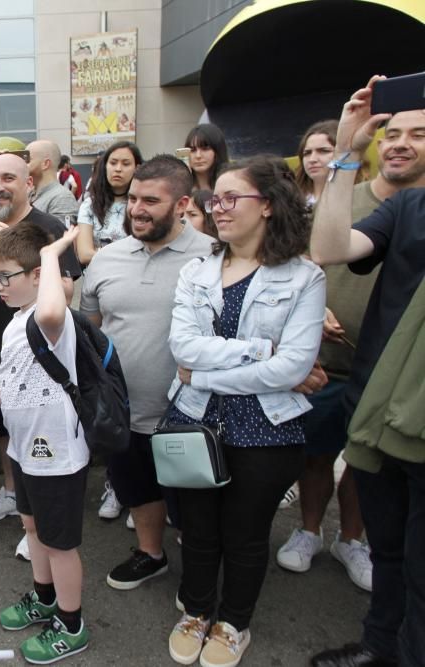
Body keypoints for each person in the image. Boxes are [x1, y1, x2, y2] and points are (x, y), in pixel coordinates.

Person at [165, 157, 326, 667]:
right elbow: (183, 347)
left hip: (268, 427)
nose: (219, 208)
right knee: (198, 528)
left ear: (271, 207)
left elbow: (293, 368)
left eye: (232, 198)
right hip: (195, 418)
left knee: (246, 533)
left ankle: (233, 622)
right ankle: (195, 610)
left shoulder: (304, 277)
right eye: (217, 200)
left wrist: (215, 370)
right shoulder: (197, 270)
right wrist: (262, 352)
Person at [308, 77, 425, 667]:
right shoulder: (405, 206)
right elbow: (329, 247)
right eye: (393, 133)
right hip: (378, 406)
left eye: (418, 134)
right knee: (392, 551)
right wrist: (347, 156)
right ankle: (380, 648)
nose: (400, 143)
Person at [80, 155, 216, 593]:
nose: (137, 208)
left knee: (195, 504)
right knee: (137, 489)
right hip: (124, 411)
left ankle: (201, 574)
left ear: (182, 204)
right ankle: (151, 554)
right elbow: (92, 330)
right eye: (133, 198)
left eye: (151, 201)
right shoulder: (106, 258)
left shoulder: (215, 256)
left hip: (192, 415)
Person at [0, 153, 81, 562]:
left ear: (29, 182)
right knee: (6, 426)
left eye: (8, 177)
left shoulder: (48, 228)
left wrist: (25, 260)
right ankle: (13, 494)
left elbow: (67, 290)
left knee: (38, 426)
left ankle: (40, 520)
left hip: (39, 353)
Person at [0, 223, 91, 664]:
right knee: (33, 527)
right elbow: (20, 377)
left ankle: (71, 622)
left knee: (60, 542)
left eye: (7, 277)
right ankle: (44, 598)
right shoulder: (16, 321)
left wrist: (53, 252)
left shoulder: (50, 317)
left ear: (39, 274)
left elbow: (54, 314)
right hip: (23, 447)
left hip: (56, 452)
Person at [275, 116, 383, 593]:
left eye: (327, 149)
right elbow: (282, 271)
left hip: (377, 362)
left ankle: (352, 538)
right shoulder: (298, 211)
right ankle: (309, 530)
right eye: (311, 151)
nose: (317, 158)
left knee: (363, 460)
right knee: (316, 455)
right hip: (321, 363)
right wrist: (315, 313)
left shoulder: (382, 203)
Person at [75, 140, 143, 265]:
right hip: (98, 278)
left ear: (137, 168)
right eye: (113, 163)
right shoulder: (89, 205)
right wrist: (129, 255)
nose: (118, 169)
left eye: (126, 164)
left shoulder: (142, 206)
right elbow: (84, 255)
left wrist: (99, 252)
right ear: (105, 165)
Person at [27, 140, 80, 224]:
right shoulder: (30, 193)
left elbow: (61, 235)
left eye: (28, 160)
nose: (23, 164)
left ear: (45, 164)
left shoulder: (62, 198)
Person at [294, 120, 343, 207]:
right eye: (307, 153)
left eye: (324, 151)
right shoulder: (290, 202)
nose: (312, 159)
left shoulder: (360, 196)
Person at [184, 123, 229, 192]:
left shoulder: (231, 185)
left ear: (217, 151)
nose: (198, 156)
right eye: (193, 150)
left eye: (205, 149)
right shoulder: (180, 188)